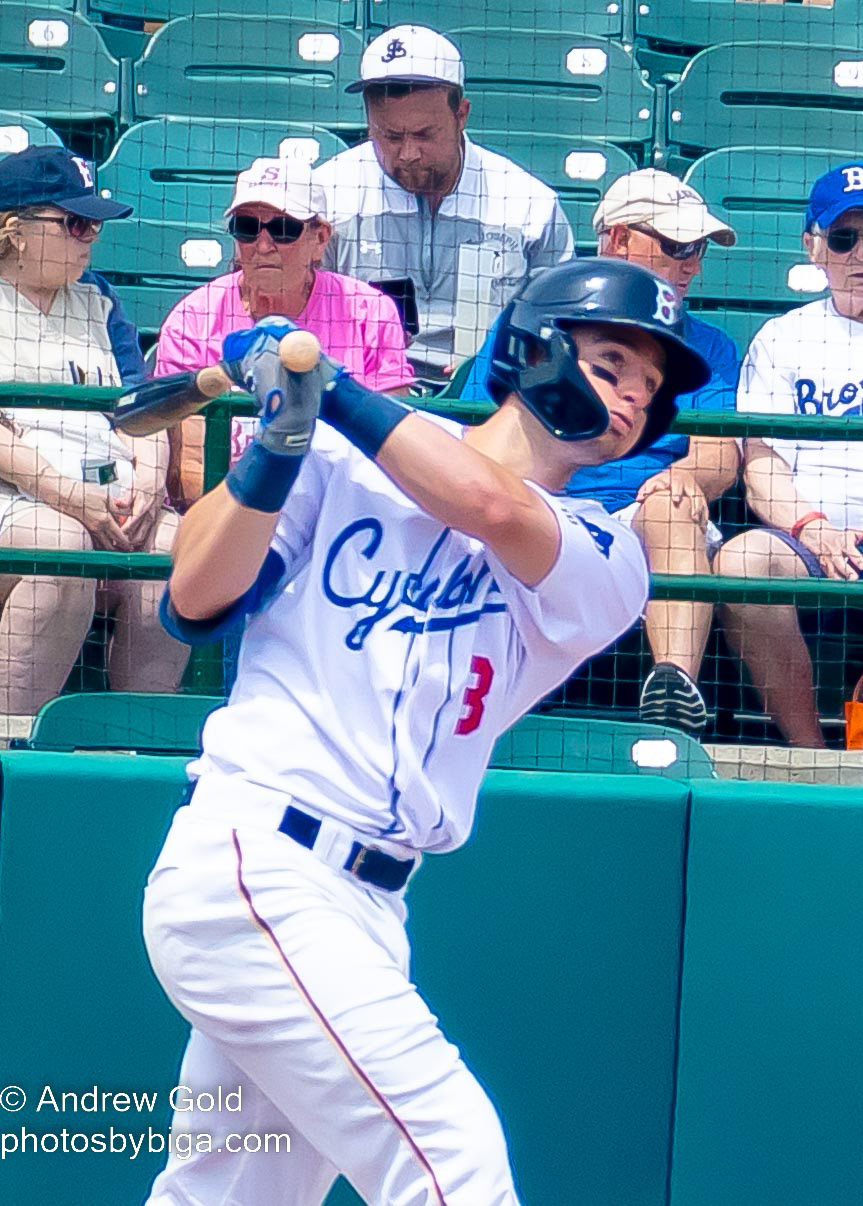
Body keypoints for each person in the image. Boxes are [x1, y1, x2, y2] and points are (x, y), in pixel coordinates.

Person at [141, 258, 709, 1205]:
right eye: (611, 363)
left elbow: (485, 503)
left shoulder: (608, 557)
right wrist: (277, 447)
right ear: (535, 348)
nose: (629, 398)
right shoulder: (332, 462)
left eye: (647, 389)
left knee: (231, 1195)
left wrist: (334, 393)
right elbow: (194, 600)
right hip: (256, 860)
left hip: (370, 906)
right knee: (453, 1165)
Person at [462, 169, 741, 735]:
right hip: (538, 501)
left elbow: (718, 454)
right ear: (617, 240)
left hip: (642, 515)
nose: (692, 265)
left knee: (670, 505)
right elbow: (481, 431)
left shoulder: (710, 345)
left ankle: (672, 696)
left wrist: (681, 477)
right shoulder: (541, 320)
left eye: (699, 250)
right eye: (677, 246)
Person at [0, 145, 188, 727]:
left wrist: (152, 484)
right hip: (20, 496)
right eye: (76, 223)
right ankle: (15, 746)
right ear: (16, 230)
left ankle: (139, 744)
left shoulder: (99, 299)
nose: (92, 238)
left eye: (95, 226)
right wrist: (68, 496)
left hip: (106, 491)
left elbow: (142, 408)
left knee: (172, 545)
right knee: (60, 546)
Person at [312, 24, 574, 384]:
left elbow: (558, 327)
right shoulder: (328, 195)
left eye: (424, 135)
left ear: (461, 115)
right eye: (389, 135)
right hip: (361, 394)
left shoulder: (528, 205)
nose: (408, 153)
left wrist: (502, 360)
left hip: (490, 396)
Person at [155, 157, 415, 509]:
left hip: (342, 513)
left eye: (283, 229)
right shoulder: (193, 318)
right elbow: (189, 468)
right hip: (230, 514)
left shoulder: (371, 312)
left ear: (320, 239)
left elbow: (394, 449)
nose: (263, 246)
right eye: (247, 227)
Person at [716, 162, 863, 747]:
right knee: (741, 561)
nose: (859, 254)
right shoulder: (783, 338)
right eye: (844, 237)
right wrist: (817, 528)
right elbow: (762, 468)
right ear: (813, 247)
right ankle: (814, 756)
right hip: (807, 536)